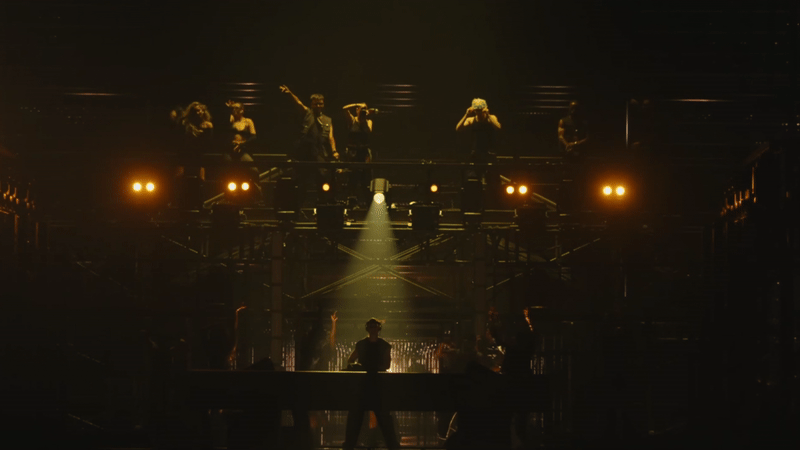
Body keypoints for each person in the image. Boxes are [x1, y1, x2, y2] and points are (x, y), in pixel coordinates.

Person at [342, 318, 399, 450]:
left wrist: (361, 368)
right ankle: (392, 446)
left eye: (374, 326)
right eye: (372, 326)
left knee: (356, 418)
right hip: (377, 386)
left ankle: (350, 445)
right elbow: (386, 365)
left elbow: (351, 360)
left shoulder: (362, 344)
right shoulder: (383, 345)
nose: (373, 329)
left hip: (364, 386)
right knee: (384, 419)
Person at [279, 85, 339, 205]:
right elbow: (298, 103)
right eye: (316, 104)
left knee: (323, 177)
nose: (318, 106)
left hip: (319, 152)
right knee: (302, 181)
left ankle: (323, 204)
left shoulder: (328, 119)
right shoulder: (307, 113)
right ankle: (298, 206)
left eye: (320, 103)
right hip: (305, 151)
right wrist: (290, 93)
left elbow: (330, 137)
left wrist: (334, 151)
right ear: (312, 104)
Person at [169, 102, 213, 209]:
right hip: (185, 153)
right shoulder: (185, 123)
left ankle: (200, 201)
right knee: (179, 176)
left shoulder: (207, 125)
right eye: (196, 111)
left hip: (199, 154)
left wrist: (207, 130)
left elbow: (208, 142)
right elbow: (179, 137)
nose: (198, 112)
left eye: (200, 110)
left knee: (200, 178)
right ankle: (176, 200)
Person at [455, 98, 501, 195]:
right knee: (474, 180)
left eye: (480, 111)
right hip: (476, 154)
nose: (479, 113)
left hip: (489, 154)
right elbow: (458, 128)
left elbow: (498, 127)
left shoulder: (491, 118)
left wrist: (488, 115)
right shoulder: (471, 120)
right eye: (477, 111)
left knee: (493, 180)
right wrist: (466, 114)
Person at [557, 101, 589, 210]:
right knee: (565, 179)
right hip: (567, 156)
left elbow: (587, 138)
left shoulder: (583, 123)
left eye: (576, 108)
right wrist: (567, 145)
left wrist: (575, 144)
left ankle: (580, 203)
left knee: (580, 181)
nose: (574, 111)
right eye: (572, 108)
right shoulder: (564, 121)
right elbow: (560, 136)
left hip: (579, 156)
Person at [342, 102, 374, 206]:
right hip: (353, 153)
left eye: (365, 109)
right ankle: (351, 201)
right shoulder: (352, 120)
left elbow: (369, 131)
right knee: (352, 177)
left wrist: (363, 118)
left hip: (364, 153)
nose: (363, 111)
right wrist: (357, 105)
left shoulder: (369, 122)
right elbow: (344, 108)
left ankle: (367, 201)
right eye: (361, 109)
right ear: (357, 110)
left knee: (366, 178)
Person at [223, 101, 260, 187]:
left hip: (242, 149)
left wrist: (242, 144)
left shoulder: (247, 121)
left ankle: (258, 189)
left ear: (242, 110)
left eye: (236, 108)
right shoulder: (231, 120)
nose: (234, 110)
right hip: (230, 149)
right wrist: (228, 110)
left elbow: (254, 136)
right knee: (226, 170)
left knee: (254, 171)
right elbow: (225, 123)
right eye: (233, 108)